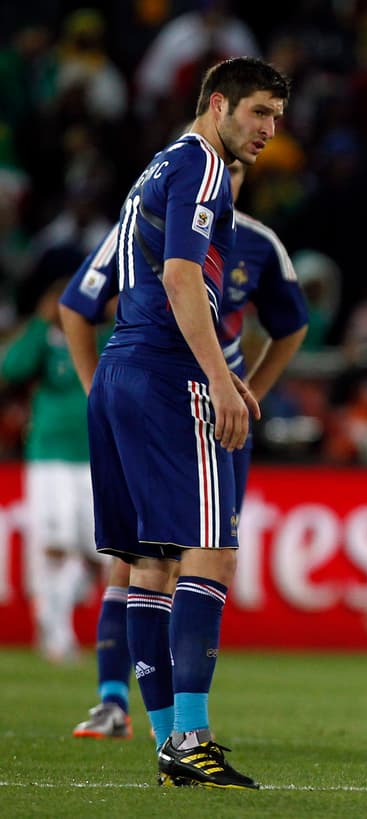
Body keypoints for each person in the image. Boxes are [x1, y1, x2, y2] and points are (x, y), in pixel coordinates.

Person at [84, 57, 289, 789]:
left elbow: (104, 291)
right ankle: (192, 735)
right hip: (168, 375)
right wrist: (215, 375)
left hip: (121, 369)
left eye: (277, 118)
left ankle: (173, 745)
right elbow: (179, 277)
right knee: (213, 548)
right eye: (260, 113)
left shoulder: (158, 165)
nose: (269, 131)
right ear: (219, 104)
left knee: (151, 561)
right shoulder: (203, 165)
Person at [61, 160, 307, 742]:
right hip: (165, 392)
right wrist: (93, 384)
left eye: (240, 173)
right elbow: (79, 303)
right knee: (148, 557)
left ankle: (170, 730)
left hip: (218, 413)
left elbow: (291, 324)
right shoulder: (150, 221)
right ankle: (125, 705)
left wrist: (252, 395)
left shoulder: (258, 242)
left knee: (187, 556)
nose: (230, 179)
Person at [0, 277, 100, 665]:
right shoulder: (44, 342)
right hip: (50, 456)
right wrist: (40, 325)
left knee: (99, 554)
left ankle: (51, 611)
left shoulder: (99, 337)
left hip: (94, 456)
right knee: (56, 544)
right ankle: (57, 631)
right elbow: (12, 366)